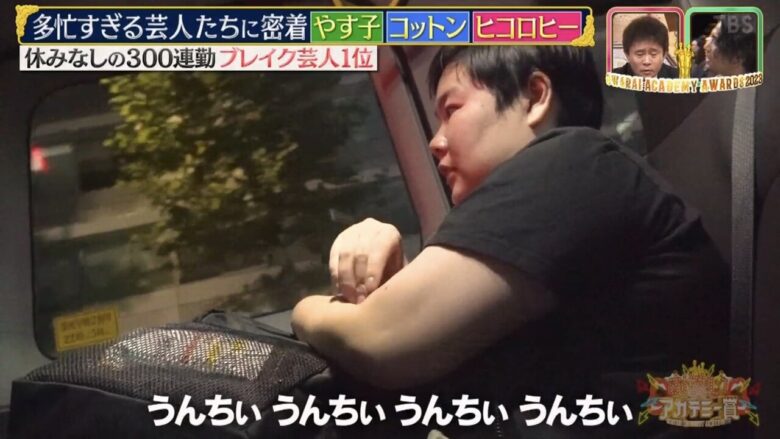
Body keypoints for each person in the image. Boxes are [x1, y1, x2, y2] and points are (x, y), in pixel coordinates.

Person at [292, 46, 729, 435]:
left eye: (451, 110)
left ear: (535, 97)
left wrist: (304, 310)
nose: (435, 142)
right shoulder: (569, 204)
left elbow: (380, 341)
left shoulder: (574, 162)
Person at [612, 15, 679, 78]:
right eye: (640, 54)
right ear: (627, 55)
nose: (647, 62)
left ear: (664, 54)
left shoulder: (679, 79)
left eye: (653, 54)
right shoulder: (612, 79)